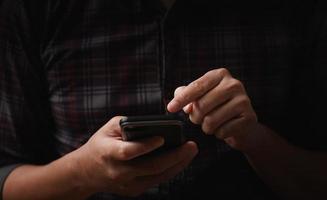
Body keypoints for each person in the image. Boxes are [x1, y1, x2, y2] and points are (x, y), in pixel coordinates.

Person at [0, 0, 326, 200]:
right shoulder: (32, 8)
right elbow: (6, 177)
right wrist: (81, 174)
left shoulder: (296, 10)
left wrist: (254, 139)